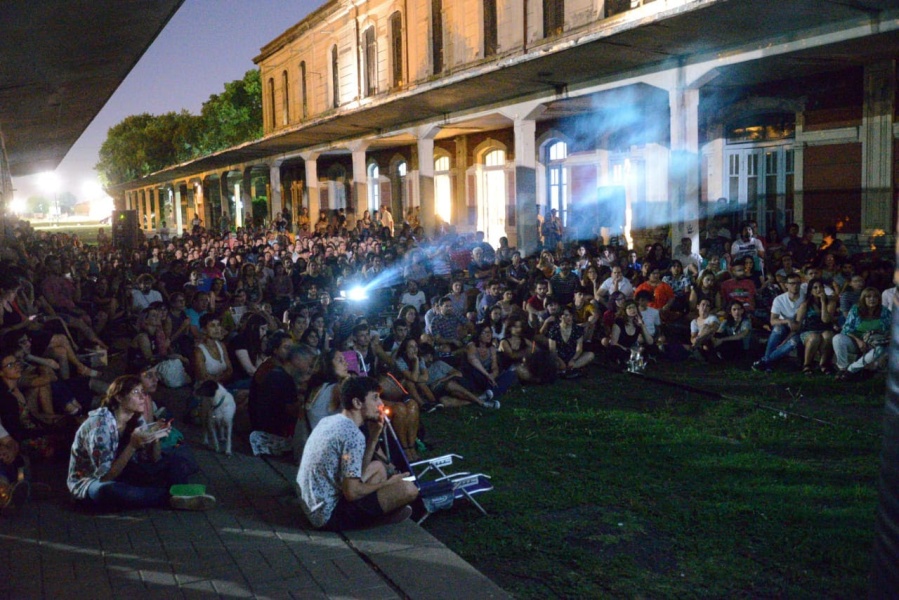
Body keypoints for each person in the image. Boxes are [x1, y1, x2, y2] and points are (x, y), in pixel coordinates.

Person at [67, 375, 215, 511]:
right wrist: (132, 446)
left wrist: (154, 437)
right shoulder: (101, 425)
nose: (142, 397)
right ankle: (173, 497)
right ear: (119, 397)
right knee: (108, 491)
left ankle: (175, 496)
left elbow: (154, 460)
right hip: (91, 483)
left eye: (142, 392)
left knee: (177, 462)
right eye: (135, 392)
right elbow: (105, 477)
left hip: (126, 473)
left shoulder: (136, 418)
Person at [296, 376, 418, 530]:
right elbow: (351, 493)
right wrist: (388, 483)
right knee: (408, 489)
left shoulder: (331, 421)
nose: (381, 404)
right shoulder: (353, 435)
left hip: (312, 505)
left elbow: (356, 471)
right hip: (327, 515)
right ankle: (376, 517)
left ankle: (377, 509)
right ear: (357, 403)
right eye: (375, 398)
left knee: (378, 467)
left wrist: (373, 438)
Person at [833, 287, 891, 380]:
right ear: (863, 299)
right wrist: (859, 341)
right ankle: (842, 368)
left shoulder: (884, 311)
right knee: (837, 338)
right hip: (856, 342)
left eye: (875, 297)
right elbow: (846, 329)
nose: (872, 299)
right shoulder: (856, 309)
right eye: (868, 297)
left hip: (875, 343)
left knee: (880, 349)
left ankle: (850, 370)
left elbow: (890, 328)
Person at [752, 273, 804, 372]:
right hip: (785, 325)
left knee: (794, 341)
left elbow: (797, 325)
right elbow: (773, 320)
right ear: (786, 285)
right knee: (777, 329)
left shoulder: (804, 297)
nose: (795, 286)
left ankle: (765, 361)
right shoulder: (779, 299)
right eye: (792, 283)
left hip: (800, 327)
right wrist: (787, 321)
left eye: (798, 283)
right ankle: (768, 363)